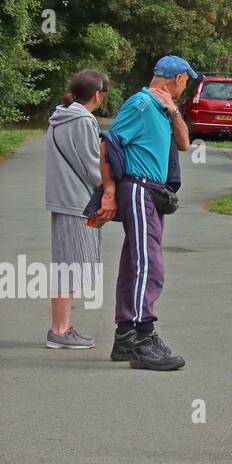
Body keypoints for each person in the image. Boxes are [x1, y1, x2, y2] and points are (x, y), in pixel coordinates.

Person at [96, 55, 194, 371]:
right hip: (137, 188)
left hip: (152, 191)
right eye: (186, 80)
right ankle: (142, 337)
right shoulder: (139, 104)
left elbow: (184, 143)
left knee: (135, 261)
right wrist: (109, 193)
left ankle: (125, 337)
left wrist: (174, 110)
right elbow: (107, 145)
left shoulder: (161, 108)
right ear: (178, 78)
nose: (186, 85)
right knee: (147, 262)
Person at [44, 69, 110, 349]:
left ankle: (60, 328)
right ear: (98, 95)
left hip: (62, 199)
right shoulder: (83, 120)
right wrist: (110, 187)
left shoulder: (60, 116)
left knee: (66, 264)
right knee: (71, 266)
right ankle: (59, 331)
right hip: (76, 201)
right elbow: (93, 165)